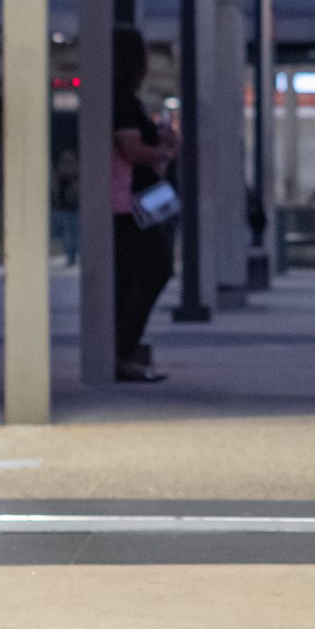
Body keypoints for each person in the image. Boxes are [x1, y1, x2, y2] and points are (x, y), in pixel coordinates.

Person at [109, 26, 173, 383]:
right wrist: (161, 150)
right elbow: (130, 149)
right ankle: (120, 351)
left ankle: (120, 351)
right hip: (130, 201)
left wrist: (162, 144)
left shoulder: (124, 97)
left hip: (138, 198)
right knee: (155, 267)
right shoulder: (120, 98)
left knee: (133, 273)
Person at [51, 147, 82, 264]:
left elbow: (56, 192)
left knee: (71, 233)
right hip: (70, 207)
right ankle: (72, 257)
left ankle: (72, 257)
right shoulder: (70, 177)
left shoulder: (63, 176)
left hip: (70, 207)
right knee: (72, 233)